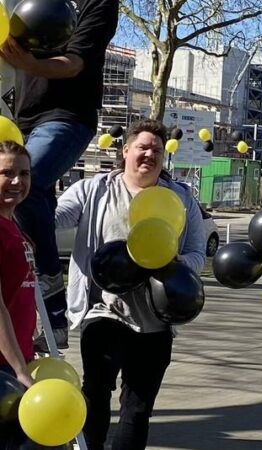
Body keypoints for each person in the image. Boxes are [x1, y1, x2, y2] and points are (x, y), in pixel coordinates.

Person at [54, 120, 205, 450]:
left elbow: (197, 254)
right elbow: (57, 215)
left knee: (137, 410)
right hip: (104, 314)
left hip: (154, 324)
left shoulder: (180, 198)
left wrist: (175, 266)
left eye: (157, 150)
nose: (150, 154)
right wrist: (29, 195)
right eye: (143, 147)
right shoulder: (95, 190)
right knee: (94, 398)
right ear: (125, 151)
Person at [0, 0, 121, 351]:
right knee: (19, 199)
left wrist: (31, 63)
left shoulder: (97, 3)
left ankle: (52, 297)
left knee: (27, 182)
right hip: (22, 117)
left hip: (68, 115)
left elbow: (73, 64)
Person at [0, 142, 35, 388]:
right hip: (5, 370)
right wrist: (20, 370)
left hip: (16, 362)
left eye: (24, 173)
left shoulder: (14, 227)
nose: (17, 182)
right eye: (7, 173)